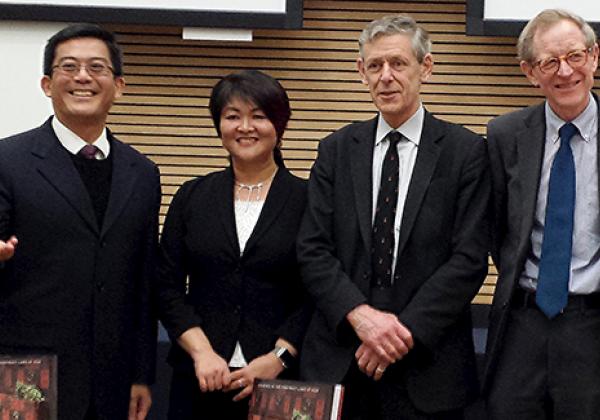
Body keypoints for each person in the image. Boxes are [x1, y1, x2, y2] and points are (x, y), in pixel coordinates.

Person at [297, 14, 490, 420]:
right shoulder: (335, 150)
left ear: (427, 67)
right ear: (361, 73)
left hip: (428, 367)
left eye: (398, 64)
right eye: (375, 65)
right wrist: (362, 319)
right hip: (340, 362)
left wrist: (399, 335)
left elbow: (469, 259)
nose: (386, 76)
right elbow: (312, 249)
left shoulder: (465, 152)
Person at [0, 24, 160, 420]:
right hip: (27, 372)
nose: (83, 77)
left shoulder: (142, 172)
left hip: (113, 378)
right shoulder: (8, 161)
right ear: (46, 84)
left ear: (118, 85)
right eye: (68, 67)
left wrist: (141, 374)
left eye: (97, 68)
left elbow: (143, 280)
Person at [157, 69, 312, 419]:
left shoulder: (310, 200)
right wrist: (201, 353)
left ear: (279, 124)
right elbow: (165, 285)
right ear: (218, 125)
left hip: (282, 383)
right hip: (199, 380)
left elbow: (316, 292)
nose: (245, 127)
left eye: (258, 116)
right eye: (232, 117)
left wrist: (279, 358)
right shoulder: (192, 196)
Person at [484, 9, 600, 419]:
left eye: (575, 56)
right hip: (523, 319)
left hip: (592, 321)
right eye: (550, 62)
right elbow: (498, 228)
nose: (565, 71)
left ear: (595, 57)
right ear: (530, 71)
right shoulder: (505, 135)